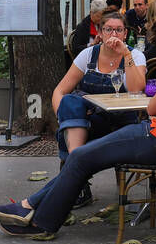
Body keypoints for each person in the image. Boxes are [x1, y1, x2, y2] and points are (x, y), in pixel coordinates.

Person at [0, 13, 156, 237]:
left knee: (80, 157)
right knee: (80, 156)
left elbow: (152, 108)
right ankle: (28, 207)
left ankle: (40, 221)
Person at [49, 12, 146, 208]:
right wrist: (64, 117)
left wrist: (125, 53)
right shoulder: (88, 55)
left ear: (125, 33)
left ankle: (75, 172)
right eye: (108, 29)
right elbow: (59, 90)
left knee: (71, 122)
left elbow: (137, 90)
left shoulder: (135, 55)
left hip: (123, 121)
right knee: (70, 103)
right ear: (100, 33)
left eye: (119, 30)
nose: (114, 34)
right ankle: (76, 160)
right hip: (91, 120)